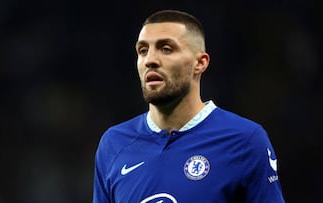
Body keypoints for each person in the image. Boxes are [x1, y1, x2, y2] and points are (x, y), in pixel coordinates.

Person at [93, 9, 285, 203]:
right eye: (143, 51)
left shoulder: (245, 140)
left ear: (200, 63)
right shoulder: (114, 143)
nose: (150, 60)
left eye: (166, 49)